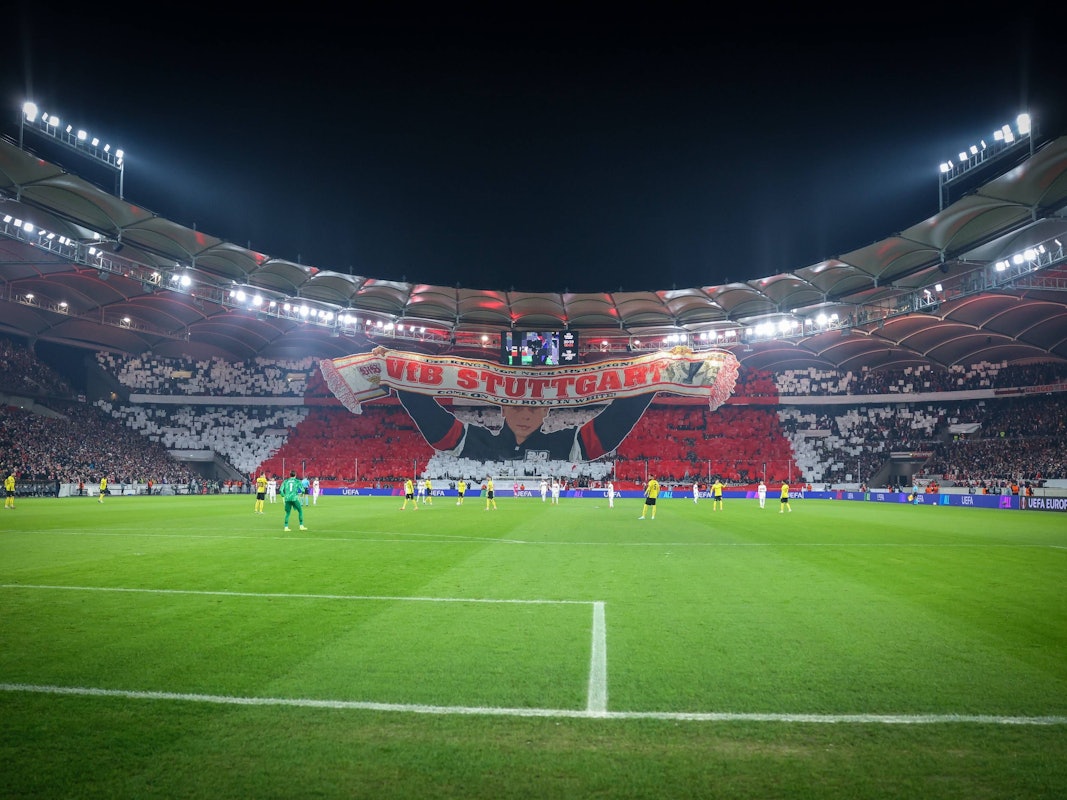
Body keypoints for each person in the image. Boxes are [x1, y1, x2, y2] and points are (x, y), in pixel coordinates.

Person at [395, 389, 655, 463]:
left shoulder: (565, 443)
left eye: (534, 408)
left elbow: (614, 424)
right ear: (503, 409)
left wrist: (649, 384)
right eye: (517, 407)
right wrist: (398, 379)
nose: (525, 415)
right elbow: (433, 422)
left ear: (546, 412)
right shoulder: (477, 440)